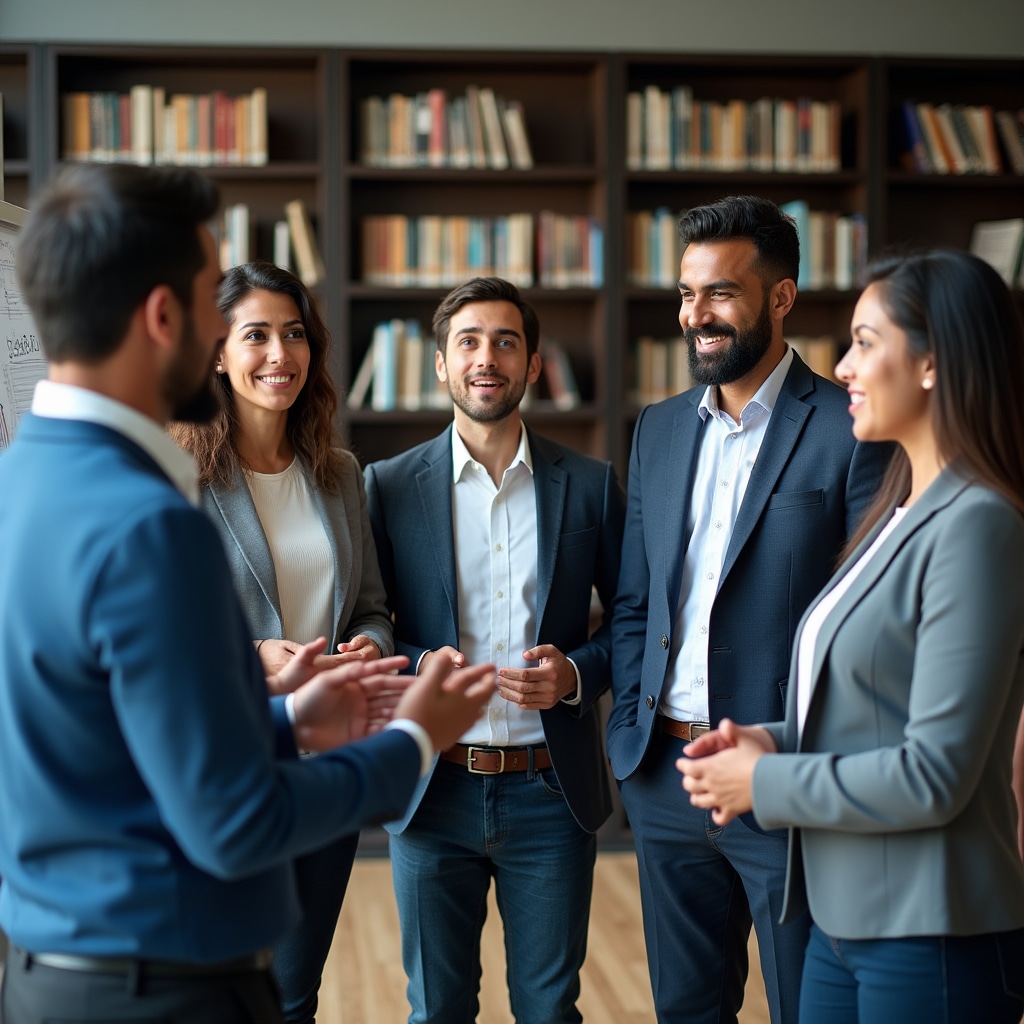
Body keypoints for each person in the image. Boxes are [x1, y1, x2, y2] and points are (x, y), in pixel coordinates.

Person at [0, 162, 495, 1024]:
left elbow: (110, 743)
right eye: (211, 306)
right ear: (168, 318)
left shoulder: (23, 481)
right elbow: (231, 821)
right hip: (166, 984)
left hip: (54, 971)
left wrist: (292, 724)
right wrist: (416, 737)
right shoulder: (148, 520)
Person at [677, 247, 1024, 1024]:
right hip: (841, 918)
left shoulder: (979, 527)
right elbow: (868, 707)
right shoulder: (896, 511)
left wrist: (760, 785)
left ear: (933, 364)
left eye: (866, 342)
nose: (842, 368)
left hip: (930, 931)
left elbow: (935, 774)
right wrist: (771, 740)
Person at [606, 195, 892, 1024]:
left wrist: (794, 755)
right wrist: (634, 721)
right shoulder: (657, 429)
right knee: (685, 1010)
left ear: (781, 298)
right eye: (688, 293)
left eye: (722, 293)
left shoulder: (850, 430)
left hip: (786, 781)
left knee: (809, 1007)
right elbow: (634, 600)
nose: (698, 315)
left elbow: (865, 625)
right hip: (665, 775)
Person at [364, 276, 625, 1024]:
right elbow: (370, 618)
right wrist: (418, 667)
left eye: (506, 342)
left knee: (549, 1009)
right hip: (432, 790)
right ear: (441, 365)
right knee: (437, 1009)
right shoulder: (386, 487)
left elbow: (633, 617)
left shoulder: (590, 485)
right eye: (469, 342)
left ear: (533, 364)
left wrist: (577, 673)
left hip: (550, 791)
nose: (488, 358)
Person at [170, 260, 397, 1024]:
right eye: (256, 335)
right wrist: (252, 657)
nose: (279, 355)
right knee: (212, 990)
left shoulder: (337, 473)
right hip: (224, 770)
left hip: (321, 775)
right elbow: (161, 627)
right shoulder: (178, 474)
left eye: (294, 334)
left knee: (293, 994)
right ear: (217, 353)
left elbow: (370, 607)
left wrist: (366, 645)